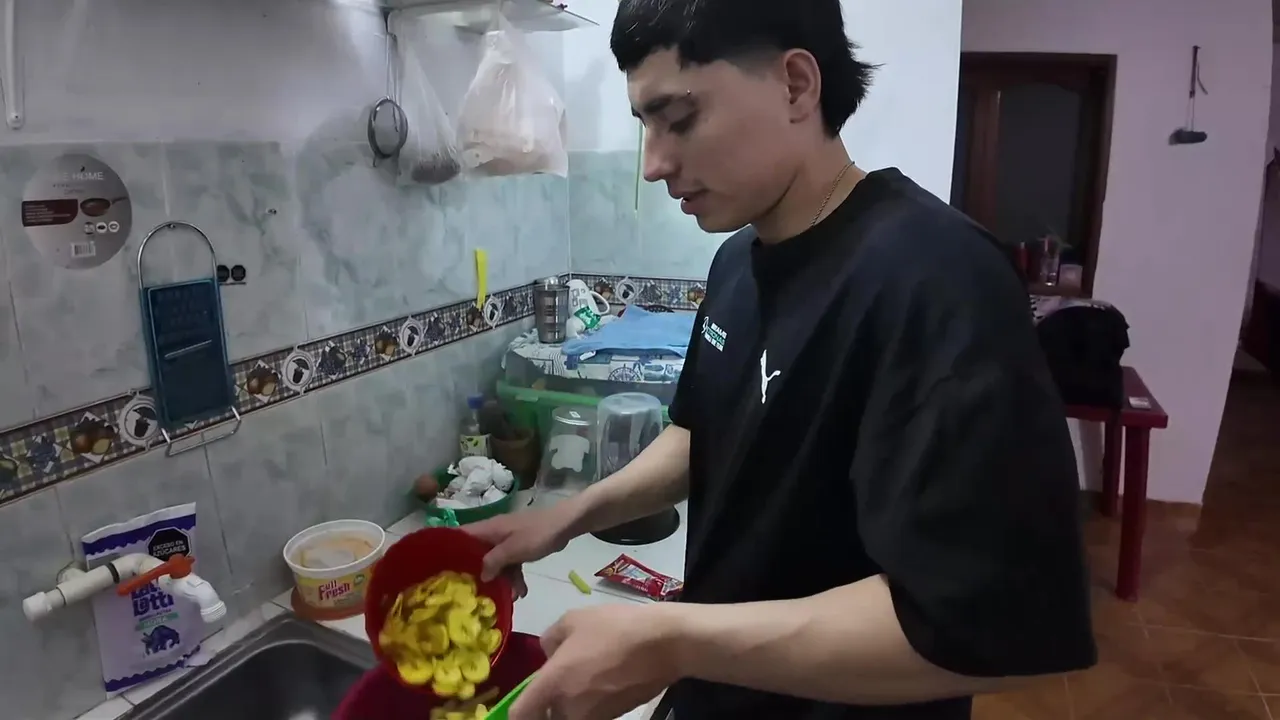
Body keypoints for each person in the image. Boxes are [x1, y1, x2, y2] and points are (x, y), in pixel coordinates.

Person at [465, 0, 1097, 717]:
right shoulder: (738, 261)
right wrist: (568, 517)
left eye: (680, 119)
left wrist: (670, 643)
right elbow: (705, 432)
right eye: (645, 125)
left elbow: (981, 623)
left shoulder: (939, 278)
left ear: (796, 85)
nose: (654, 164)